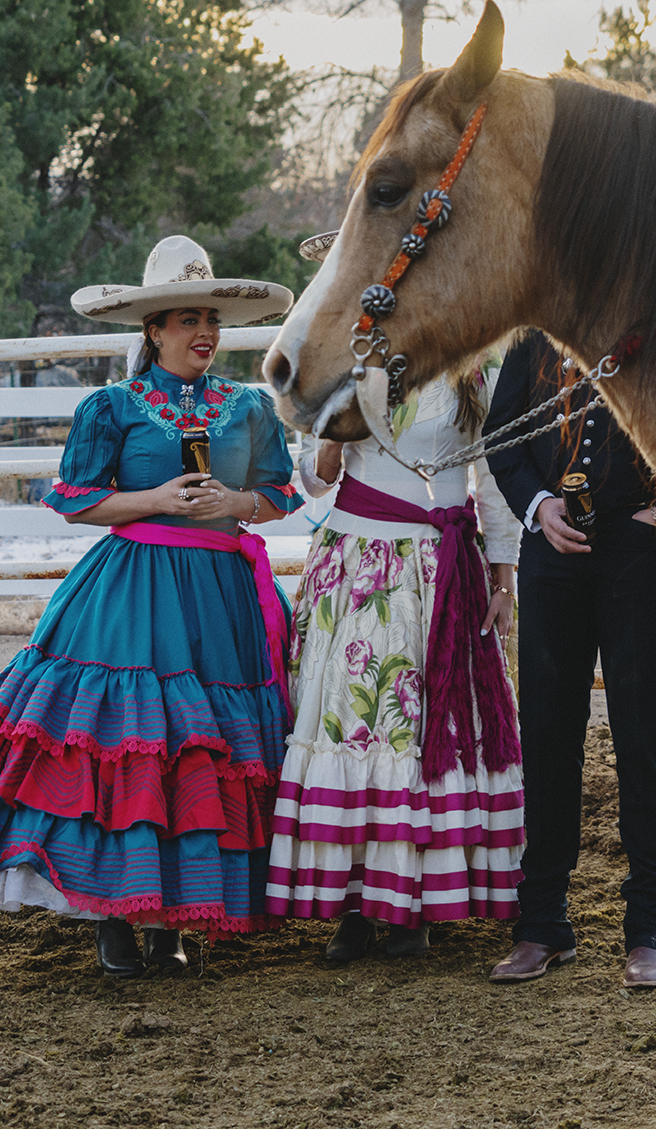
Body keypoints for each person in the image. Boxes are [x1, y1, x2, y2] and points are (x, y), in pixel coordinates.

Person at [0, 236, 303, 979]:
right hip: (134, 589)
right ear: (152, 330)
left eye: (210, 318)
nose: (204, 333)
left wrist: (236, 501)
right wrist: (154, 500)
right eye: (186, 319)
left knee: (204, 750)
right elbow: (76, 497)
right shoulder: (112, 407)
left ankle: (173, 923)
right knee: (134, 743)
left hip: (221, 599)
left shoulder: (248, 407)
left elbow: (281, 493)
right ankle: (115, 917)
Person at [265, 230, 525, 961]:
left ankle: (410, 904)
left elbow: (493, 472)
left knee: (417, 730)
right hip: (357, 564)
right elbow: (312, 481)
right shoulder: (342, 358)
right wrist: (320, 443)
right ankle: (354, 904)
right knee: (355, 724)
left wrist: (501, 572)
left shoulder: (474, 360)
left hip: (442, 567)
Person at [483, 329, 656, 989]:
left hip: (638, 550)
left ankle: (649, 926)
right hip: (552, 552)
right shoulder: (533, 334)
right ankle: (542, 922)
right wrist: (538, 507)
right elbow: (501, 433)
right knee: (545, 734)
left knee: (639, 737)